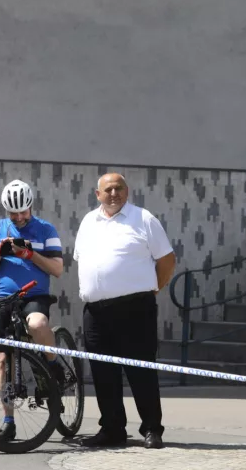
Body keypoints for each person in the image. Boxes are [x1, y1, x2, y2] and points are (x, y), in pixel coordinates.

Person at [73, 173, 176, 449]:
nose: (114, 193)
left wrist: (154, 287)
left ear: (127, 191)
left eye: (119, 188)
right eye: (108, 189)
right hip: (96, 312)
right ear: (98, 194)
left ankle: (152, 429)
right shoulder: (87, 222)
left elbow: (167, 260)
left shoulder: (143, 219)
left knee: (141, 371)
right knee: (103, 373)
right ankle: (112, 429)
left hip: (135, 309)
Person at [0, 179, 64, 442]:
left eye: (23, 212)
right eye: (13, 213)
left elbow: (58, 269)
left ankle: (54, 366)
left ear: (31, 207)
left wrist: (30, 255)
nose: (18, 217)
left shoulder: (46, 229)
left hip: (34, 293)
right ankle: (8, 421)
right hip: (4, 297)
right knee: (4, 359)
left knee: (37, 324)